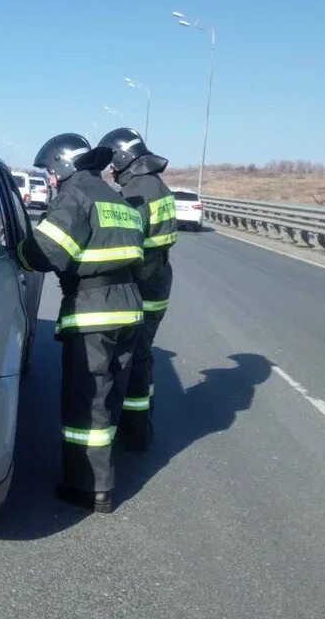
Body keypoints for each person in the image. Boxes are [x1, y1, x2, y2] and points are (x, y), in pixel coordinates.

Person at [15, 133, 145, 513]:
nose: (51, 180)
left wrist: (14, 251)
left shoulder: (76, 195)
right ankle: (102, 473)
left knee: (87, 402)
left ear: (62, 165)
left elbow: (45, 253)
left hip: (95, 311)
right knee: (110, 396)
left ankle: (90, 487)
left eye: (51, 172)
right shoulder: (115, 199)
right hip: (129, 308)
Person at [98, 128, 178, 450]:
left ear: (122, 159)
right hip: (158, 282)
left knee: (133, 361)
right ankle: (139, 427)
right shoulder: (157, 185)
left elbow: (128, 242)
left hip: (143, 285)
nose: (112, 172)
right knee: (142, 356)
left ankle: (134, 432)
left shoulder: (138, 191)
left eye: (112, 165)